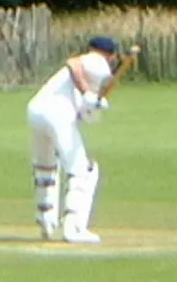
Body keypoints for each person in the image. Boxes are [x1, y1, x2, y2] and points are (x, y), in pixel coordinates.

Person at [26, 36, 126, 244]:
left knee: (46, 166)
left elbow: (85, 113)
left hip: (36, 111)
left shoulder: (94, 70)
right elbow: (73, 64)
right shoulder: (97, 62)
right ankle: (74, 227)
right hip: (57, 114)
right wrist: (87, 92)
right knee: (84, 169)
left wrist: (95, 105)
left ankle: (46, 220)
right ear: (111, 55)